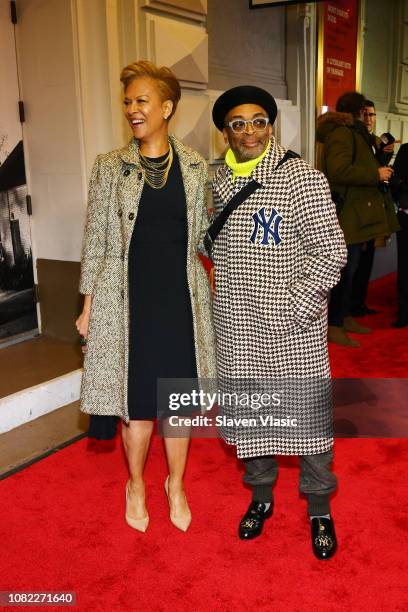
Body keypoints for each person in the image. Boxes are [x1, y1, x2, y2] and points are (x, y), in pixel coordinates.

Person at [76, 60, 216, 533]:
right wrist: (88, 306)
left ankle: (175, 484)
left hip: (179, 301)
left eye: (141, 101)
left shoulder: (196, 167)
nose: (132, 110)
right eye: (127, 102)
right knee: (135, 405)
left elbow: (205, 240)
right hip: (127, 304)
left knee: (178, 405)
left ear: (167, 107)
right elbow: (95, 240)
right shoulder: (110, 168)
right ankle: (135, 483)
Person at [209, 85, 347, 559]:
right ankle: (261, 500)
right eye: (238, 123)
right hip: (234, 327)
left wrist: (295, 308)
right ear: (224, 132)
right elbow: (208, 246)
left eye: (258, 121)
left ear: (272, 125)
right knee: (251, 421)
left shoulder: (300, 178)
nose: (249, 131)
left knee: (309, 425)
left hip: (292, 329)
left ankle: (319, 509)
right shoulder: (213, 182)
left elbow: (331, 252)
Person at [316, 92, 399, 347]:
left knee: (352, 271)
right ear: (357, 111)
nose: (368, 116)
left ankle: (346, 316)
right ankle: (334, 325)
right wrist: (375, 173)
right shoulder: (342, 133)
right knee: (345, 271)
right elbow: (339, 170)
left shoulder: (355, 133)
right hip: (349, 215)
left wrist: (380, 159)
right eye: (365, 111)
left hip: (359, 214)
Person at [350, 99, 397, 317]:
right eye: (365, 114)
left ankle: (359, 304)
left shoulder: (375, 141)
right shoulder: (352, 139)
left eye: (372, 115)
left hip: (375, 210)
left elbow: (381, 172)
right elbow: (346, 172)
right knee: (353, 265)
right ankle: (347, 311)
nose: (369, 119)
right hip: (357, 212)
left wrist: (386, 154)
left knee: (366, 263)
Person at [391, 143, 408, 327]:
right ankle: (404, 312)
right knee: (404, 266)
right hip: (406, 215)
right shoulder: (405, 150)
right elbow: (395, 180)